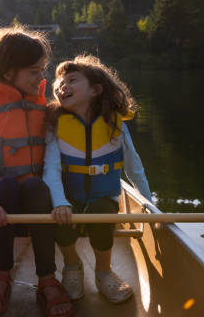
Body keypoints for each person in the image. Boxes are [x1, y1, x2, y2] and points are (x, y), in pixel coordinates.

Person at [0, 26, 74, 317]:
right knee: (6, 187)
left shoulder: (43, 106)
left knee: (36, 186)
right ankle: (0, 275)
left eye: (43, 70)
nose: (41, 78)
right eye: (34, 71)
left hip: (39, 207)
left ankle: (47, 278)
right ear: (9, 72)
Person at [42, 54, 152, 304]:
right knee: (59, 216)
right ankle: (72, 266)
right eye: (59, 81)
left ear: (95, 90)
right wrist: (59, 202)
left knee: (103, 214)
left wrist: (149, 203)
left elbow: (134, 168)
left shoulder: (115, 124)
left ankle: (104, 272)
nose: (62, 85)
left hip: (104, 197)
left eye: (71, 79)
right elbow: (50, 170)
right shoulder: (55, 126)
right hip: (69, 198)